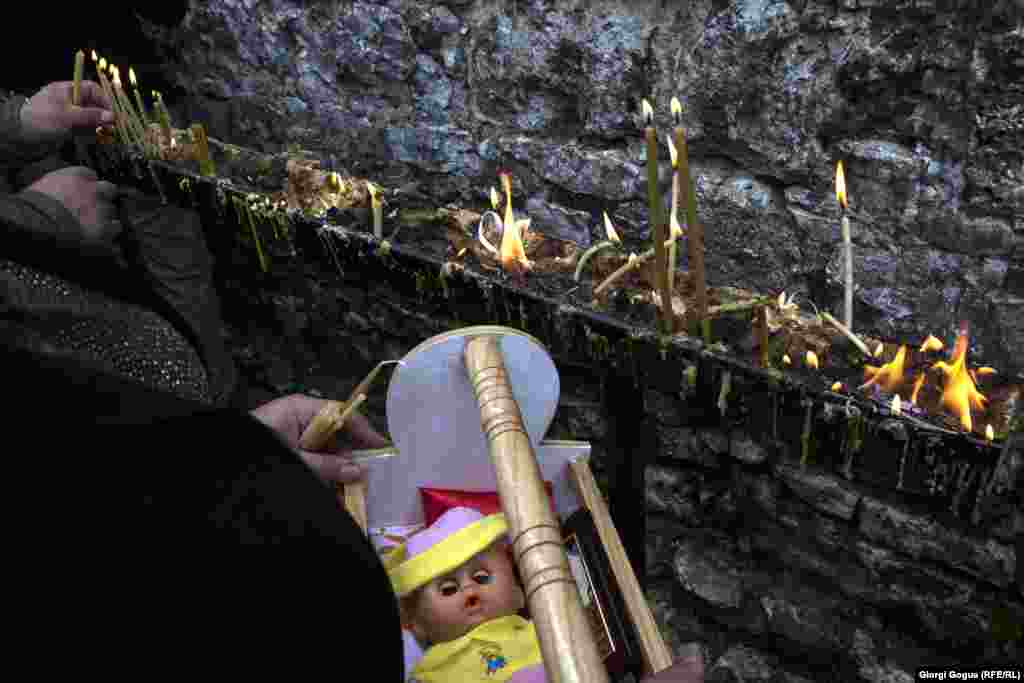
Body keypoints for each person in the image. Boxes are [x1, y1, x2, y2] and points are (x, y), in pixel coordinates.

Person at [389, 507, 704, 683]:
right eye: (448, 589)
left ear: (517, 595)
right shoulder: (431, 670)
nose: (470, 589)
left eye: (482, 577)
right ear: (417, 625)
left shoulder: (538, 628)